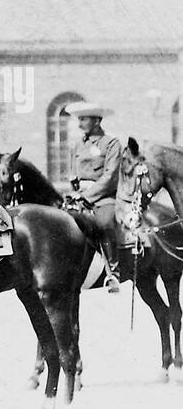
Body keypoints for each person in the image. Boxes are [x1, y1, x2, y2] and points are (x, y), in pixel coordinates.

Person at [66, 102, 123, 292]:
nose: (80, 123)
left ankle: (113, 274)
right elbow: (73, 171)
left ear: (97, 121)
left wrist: (88, 196)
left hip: (103, 197)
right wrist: (74, 187)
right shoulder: (78, 144)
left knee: (105, 223)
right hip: (79, 196)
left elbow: (111, 176)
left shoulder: (111, 143)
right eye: (79, 119)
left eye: (84, 119)